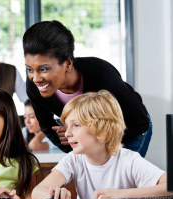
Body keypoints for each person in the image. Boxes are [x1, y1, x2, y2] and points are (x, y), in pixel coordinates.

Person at [31, 90, 173, 199]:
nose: (68, 133)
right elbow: (37, 192)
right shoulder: (73, 160)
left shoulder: (128, 160)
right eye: (66, 126)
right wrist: (56, 198)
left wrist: (122, 195)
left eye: (76, 125)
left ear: (101, 129)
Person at [23, 20, 152, 157]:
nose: (35, 78)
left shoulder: (103, 75)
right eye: (30, 69)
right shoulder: (34, 86)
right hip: (91, 136)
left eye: (44, 69)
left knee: (118, 177)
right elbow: (47, 126)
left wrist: (86, 135)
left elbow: (140, 124)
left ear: (68, 63)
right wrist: (71, 145)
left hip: (130, 127)